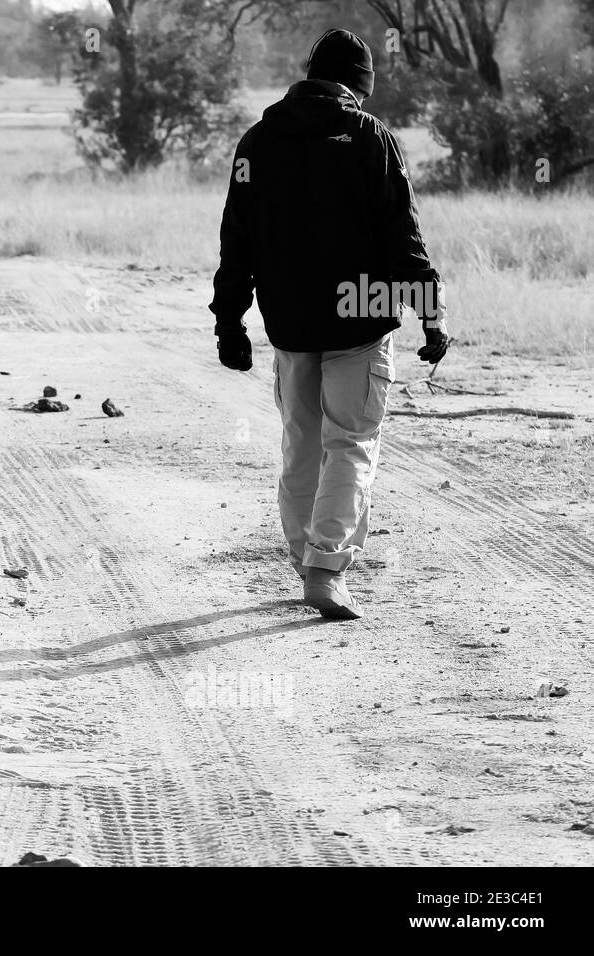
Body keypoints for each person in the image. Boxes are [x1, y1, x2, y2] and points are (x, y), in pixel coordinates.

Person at [209, 28, 450, 620]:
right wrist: (432, 316)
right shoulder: (371, 138)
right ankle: (325, 565)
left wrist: (229, 321)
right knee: (351, 444)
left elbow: (236, 241)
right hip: (360, 319)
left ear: (309, 73)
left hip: (289, 323)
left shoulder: (258, 141)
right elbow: (404, 237)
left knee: (302, 445)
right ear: (359, 86)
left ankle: (308, 562)